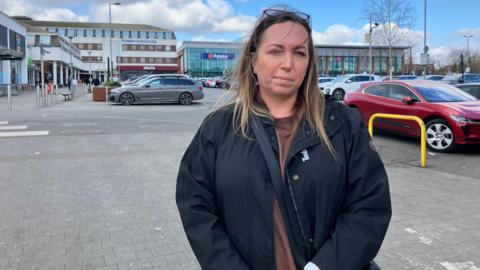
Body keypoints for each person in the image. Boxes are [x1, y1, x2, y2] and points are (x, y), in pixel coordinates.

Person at [176, 7, 391, 270]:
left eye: (299, 53)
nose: (287, 63)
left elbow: (370, 205)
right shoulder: (218, 128)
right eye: (276, 51)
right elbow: (195, 205)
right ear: (254, 61)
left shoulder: (342, 124)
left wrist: (323, 266)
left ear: (308, 63)